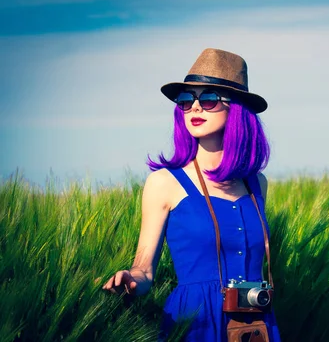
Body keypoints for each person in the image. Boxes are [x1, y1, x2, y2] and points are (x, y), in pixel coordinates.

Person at [102, 48, 281, 341]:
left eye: (208, 98)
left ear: (237, 109)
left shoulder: (256, 184)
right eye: (186, 101)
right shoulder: (164, 183)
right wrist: (129, 279)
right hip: (195, 323)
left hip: (255, 323)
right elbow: (144, 271)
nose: (195, 108)